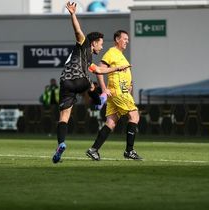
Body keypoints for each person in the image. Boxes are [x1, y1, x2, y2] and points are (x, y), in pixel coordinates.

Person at [52, 2, 129, 164]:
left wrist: (116, 68)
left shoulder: (88, 59)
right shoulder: (84, 42)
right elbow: (77, 30)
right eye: (100, 44)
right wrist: (73, 14)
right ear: (93, 42)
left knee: (64, 116)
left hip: (65, 82)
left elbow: (100, 70)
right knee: (91, 85)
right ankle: (98, 101)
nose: (101, 47)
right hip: (79, 80)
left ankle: (61, 144)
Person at [86, 30, 142, 161]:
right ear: (117, 39)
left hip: (120, 90)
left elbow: (123, 74)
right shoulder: (112, 53)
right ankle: (129, 150)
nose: (127, 41)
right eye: (125, 39)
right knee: (134, 116)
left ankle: (93, 149)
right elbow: (99, 70)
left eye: (128, 39)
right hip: (117, 91)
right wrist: (104, 89)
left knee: (111, 122)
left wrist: (129, 84)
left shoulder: (121, 55)